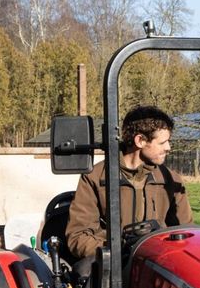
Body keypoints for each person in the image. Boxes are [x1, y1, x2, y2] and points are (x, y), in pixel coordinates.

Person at [66, 105, 193, 259]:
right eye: (162, 143)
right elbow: (78, 237)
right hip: (111, 270)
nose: (168, 148)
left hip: (154, 266)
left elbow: (187, 235)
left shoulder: (171, 181)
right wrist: (120, 252)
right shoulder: (95, 177)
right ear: (140, 141)